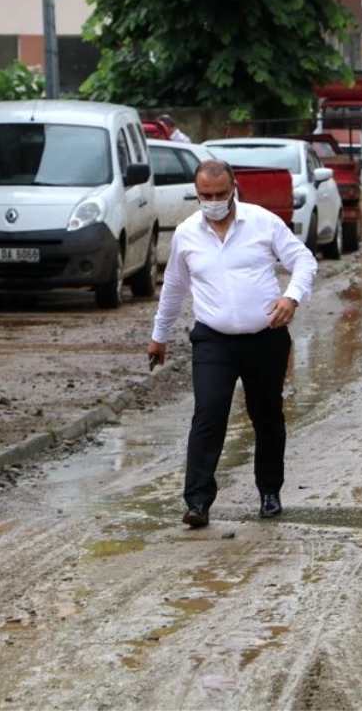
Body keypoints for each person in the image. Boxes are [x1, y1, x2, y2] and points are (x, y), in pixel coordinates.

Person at [148, 159, 317, 526]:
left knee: (266, 415)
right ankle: (197, 502)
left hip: (266, 338)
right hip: (213, 341)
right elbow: (175, 287)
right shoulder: (187, 234)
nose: (213, 201)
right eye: (205, 195)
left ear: (234, 188)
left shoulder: (262, 222)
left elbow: (303, 260)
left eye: (220, 194)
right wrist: (159, 336)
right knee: (209, 413)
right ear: (196, 193)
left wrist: (292, 297)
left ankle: (269, 492)